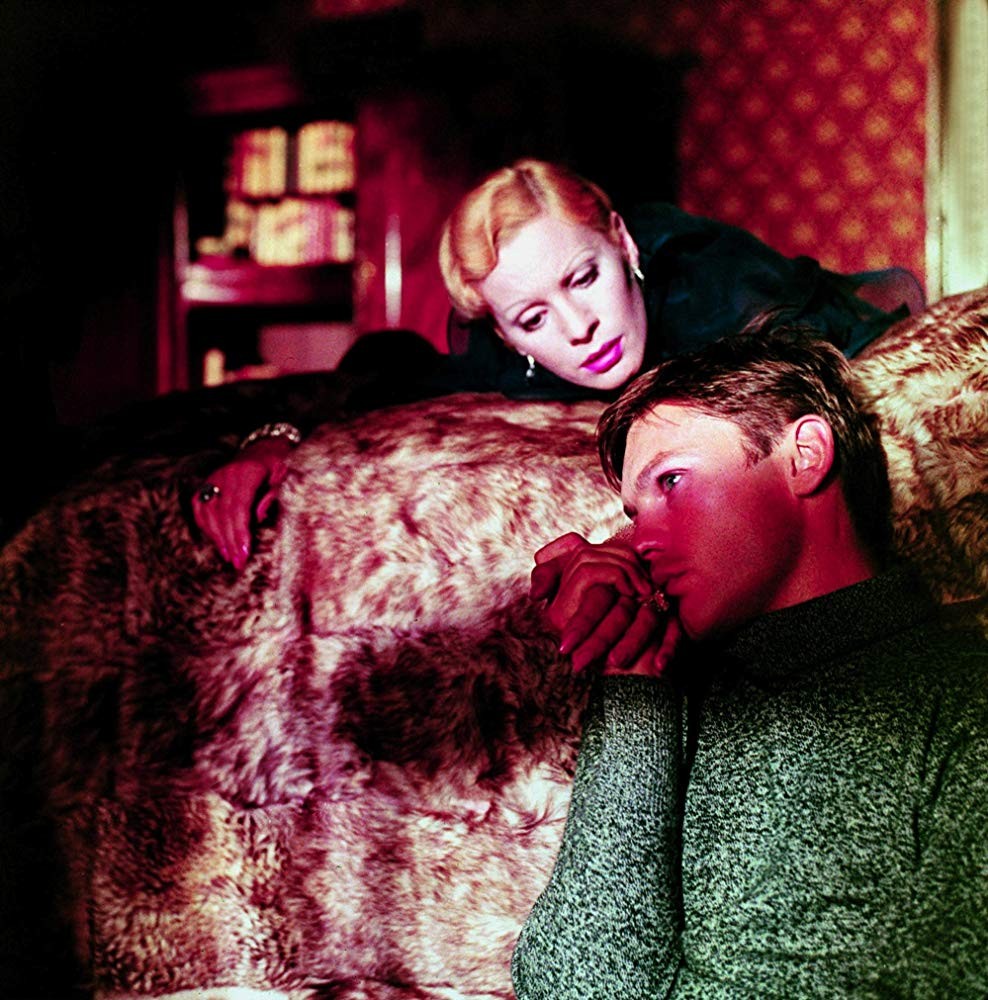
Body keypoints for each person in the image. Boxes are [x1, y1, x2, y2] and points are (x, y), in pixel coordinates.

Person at [510, 327, 988, 998]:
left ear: (805, 455)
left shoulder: (961, 704)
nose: (637, 542)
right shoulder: (671, 702)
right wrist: (633, 676)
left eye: (672, 481)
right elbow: (574, 986)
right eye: (633, 514)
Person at [192, 159, 915, 569]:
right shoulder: (509, 361)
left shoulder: (710, 288)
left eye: (584, 278)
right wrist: (272, 442)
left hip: (820, 297)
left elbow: (804, 364)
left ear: (622, 244)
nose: (580, 328)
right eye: (534, 318)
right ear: (507, 336)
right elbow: (390, 374)